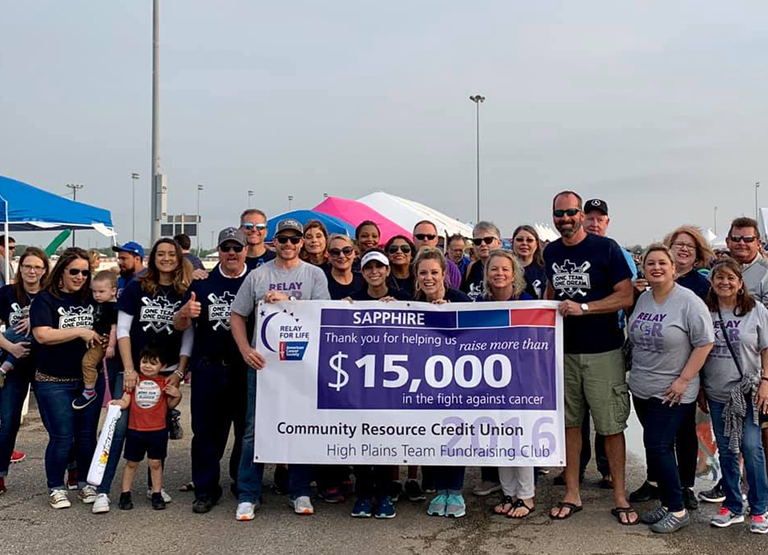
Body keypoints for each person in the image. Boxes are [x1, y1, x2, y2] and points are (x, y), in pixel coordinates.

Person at [544, 191, 636, 524]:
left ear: (581, 214)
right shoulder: (551, 251)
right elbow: (550, 294)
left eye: (570, 213)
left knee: (611, 426)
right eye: (559, 214)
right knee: (570, 425)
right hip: (565, 353)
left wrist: (585, 308)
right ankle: (572, 493)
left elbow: (625, 296)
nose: (565, 219)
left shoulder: (606, 249)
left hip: (604, 351)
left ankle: (620, 496)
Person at [231, 218, 330, 520]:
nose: (289, 245)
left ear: (301, 243)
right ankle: (249, 494)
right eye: (283, 240)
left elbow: (323, 313)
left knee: (299, 426)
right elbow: (237, 315)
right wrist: (246, 349)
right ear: (274, 242)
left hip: (301, 365)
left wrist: (289, 301)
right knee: (254, 429)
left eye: (294, 239)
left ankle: (299, 491)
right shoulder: (259, 275)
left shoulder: (314, 275)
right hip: (264, 365)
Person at [97, 239, 192, 513]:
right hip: (134, 370)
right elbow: (124, 330)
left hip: (167, 371)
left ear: (178, 257)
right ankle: (102, 488)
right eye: (160, 254)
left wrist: (180, 372)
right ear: (152, 258)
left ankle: (155, 487)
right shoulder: (137, 287)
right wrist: (129, 370)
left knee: (157, 429)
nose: (165, 258)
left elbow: (189, 336)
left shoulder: (184, 290)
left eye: (171, 254)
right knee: (119, 428)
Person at [627, 243, 714, 533]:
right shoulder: (644, 299)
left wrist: (684, 379)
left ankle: (677, 510)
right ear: (644, 268)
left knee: (658, 445)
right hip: (642, 386)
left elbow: (705, 342)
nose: (656, 268)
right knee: (655, 448)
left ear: (674, 268)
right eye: (651, 263)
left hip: (673, 390)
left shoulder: (688, 301)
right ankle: (666, 502)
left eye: (663, 263)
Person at [174, 227, 251, 514]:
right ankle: (205, 489)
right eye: (226, 248)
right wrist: (183, 314)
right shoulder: (202, 283)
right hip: (209, 368)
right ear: (218, 251)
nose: (231, 253)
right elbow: (180, 326)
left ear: (245, 250)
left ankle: (241, 483)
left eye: (237, 248)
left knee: (246, 432)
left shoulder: (255, 281)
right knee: (206, 433)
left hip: (245, 370)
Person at [700, 216, 768, 504]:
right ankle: (731, 493)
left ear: (758, 242)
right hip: (720, 382)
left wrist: (766, 378)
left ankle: (759, 499)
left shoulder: (765, 274)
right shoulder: (712, 289)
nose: (742, 244)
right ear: (727, 241)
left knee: (756, 443)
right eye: (737, 239)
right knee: (728, 445)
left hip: (754, 376)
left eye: (748, 239)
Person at [31, 248, 105, 509]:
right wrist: (80, 331)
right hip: (53, 381)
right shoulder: (45, 300)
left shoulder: (92, 298)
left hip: (89, 380)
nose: (80, 276)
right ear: (61, 271)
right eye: (74, 271)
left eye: (85, 272)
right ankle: (56, 487)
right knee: (62, 436)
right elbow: (42, 335)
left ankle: (85, 484)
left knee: (87, 436)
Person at [410, 248, 471, 518]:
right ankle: (439, 491)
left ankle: (455, 490)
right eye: (423, 272)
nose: (429, 278)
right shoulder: (410, 302)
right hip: (422, 380)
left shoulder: (460, 299)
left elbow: (476, 335)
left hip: (456, 379)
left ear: (445, 275)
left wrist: (451, 314)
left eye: (434, 272)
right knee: (431, 433)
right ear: (416, 276)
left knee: (453, 433)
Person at [475, 250, 534, 518]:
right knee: (497, 438)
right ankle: (509, 493)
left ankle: (526, 496)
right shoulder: (480, 303)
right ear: (486, 274)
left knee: (519, 438)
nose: (499, 273)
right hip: (489, 381)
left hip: (521, 382)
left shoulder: (527, 302)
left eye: (504, 269)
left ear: (514, 274)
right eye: (494, 269)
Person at [0, 247, 48, 495]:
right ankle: (0, 475)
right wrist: (11, 348)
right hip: (15, 365)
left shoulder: (51, 295)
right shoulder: (7, 293)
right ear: (20, 268)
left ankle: (72, 471)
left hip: (46, 367)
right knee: (8, 422)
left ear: (44, 270)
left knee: (56, 423)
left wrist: (37, 318)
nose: (32, 271)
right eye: (28, 266)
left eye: (37, 267)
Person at [110, 344, 182, 511]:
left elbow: (170, 405)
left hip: (158, 430)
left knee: (155, 463)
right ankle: (125, 493)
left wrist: (177, 395)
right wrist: (117, 403)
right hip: (136, 430)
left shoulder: (165, 382)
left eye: (153, 363)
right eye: (144, 362)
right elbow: (125, 400)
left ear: (162, 366)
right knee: (132, 463)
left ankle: (156, 493)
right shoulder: (134, 381)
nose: (147, 366)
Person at [72, 270, 118, 410]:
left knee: (88, 363)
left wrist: (110, 346)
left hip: (103, 340)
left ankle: (89, 390)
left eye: (101, 291)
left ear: (113, 291)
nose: (97, 295)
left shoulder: (114, 308)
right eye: (94, 292)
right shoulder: (100, 303)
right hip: (94, 337)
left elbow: (114, 329)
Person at [412, 220, 462, 289]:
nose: (425, 239)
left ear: (437, 240)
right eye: (420, 236)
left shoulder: (450, 267)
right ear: (413, 239)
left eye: (430, 236)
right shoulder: (406, 266)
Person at [461, 222, 503, 301]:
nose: (483, 244)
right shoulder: (471, 268)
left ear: (499, 243)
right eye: (477, 241)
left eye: (488, 240)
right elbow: (462, 297)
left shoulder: (510, 268)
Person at [511, 225, 547, 300]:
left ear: (537, 244)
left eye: (529, 240)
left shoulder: (546, 270)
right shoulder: (505, 270)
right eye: (519, 240)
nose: (524, 243)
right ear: (512, 242)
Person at [324, 235, 364, 300]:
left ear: (354, 253)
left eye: (347, 251)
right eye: (335, 252)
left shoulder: (364, 280)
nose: (341, 256)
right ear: (328, 255)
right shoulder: (322, 281)